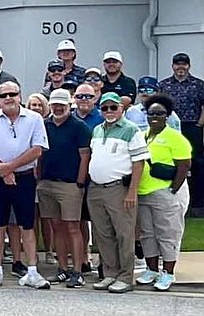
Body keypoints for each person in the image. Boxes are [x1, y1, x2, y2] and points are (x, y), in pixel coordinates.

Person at [0, 82, 51, 289]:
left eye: (12, 94)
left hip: (24, 178)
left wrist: (10, 168)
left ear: (20, 95)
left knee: (27, 225)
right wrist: (3, 171)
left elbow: (37, 149)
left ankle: (32, 271)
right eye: (4, 95)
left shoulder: (34, 118)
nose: (8, 98)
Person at [87, 92, 149, 293]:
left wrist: (132, 192)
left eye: (113, 107)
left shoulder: (131, 130)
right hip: (96, 188)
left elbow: (139, 163)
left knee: (124, 234)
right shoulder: (97, 130)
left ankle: (125, 277)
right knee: (103, 234)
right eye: (105, 108)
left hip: (119, 189)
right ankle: (110, 273)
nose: (109, 111)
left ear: (121, 108)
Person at [133, 93, 192, 291]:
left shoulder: (175, 138)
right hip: (144, 192)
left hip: (165, 193)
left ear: (167, 115)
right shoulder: (142, 136)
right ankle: (151, 270)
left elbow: (184, 166)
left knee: (168, 234)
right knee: (147, 234)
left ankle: (168, 272)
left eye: (160, 113)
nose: (155, 117)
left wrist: (173, 189)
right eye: (151, 113)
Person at [36, 89, 92, 288]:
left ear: (69, 105)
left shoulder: (79, 127)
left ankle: (77, 271)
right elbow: (39, 152)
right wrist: (39, 178)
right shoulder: (44, 124)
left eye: (62, 104)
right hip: (47, 182)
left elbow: (85, 156)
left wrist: (80, 182)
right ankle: (62, 269)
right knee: (56, 226)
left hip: (70, 185)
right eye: (55, 104)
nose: (58, 108)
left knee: (72, 227)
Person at [157, 53, 204, 211]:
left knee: (195, 163)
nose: (181, 67)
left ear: (189, 66)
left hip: (192, 127)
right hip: (170, 128)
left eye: (184, 64)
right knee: (172, 161)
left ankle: (196, 204)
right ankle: (172, 197)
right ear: (173, 66)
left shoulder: (199, 85)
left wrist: (199, 125)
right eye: (178, 64)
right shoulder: (164, 85)